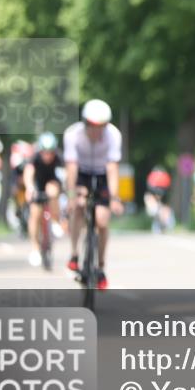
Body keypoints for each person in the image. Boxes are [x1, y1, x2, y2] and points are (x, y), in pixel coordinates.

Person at [64, 99, 124, 289]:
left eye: (102, 127)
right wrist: (72, 195)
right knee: (78, 209)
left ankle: (100, 267)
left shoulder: (114, 135)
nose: (97, 131)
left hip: (102, 174)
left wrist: (114, 198)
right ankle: (74, 254)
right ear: (85, 123)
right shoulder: (72, 134)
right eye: (93, 126)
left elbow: (113, 168)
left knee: (102, 220)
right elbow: (71, 167)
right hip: (81, 173)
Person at [23, 132, 64, 267]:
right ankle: (35, 248)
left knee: (51, 190)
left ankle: (55, 221)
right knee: (34, 214)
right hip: (38, 185)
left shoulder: (58, 157)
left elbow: (67, 172)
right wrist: (29, 188)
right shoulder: (35, 158)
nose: (48, 156)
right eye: (45, 152)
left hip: (53, 183)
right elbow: (28, 172)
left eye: (50, 152)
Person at [144, 165, 174, 233]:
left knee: (163, 212)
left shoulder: (157, 181)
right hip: (154, 204)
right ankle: (162, 226)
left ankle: (164, 226)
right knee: (155, 210)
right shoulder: (150, 197)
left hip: (158, 206)